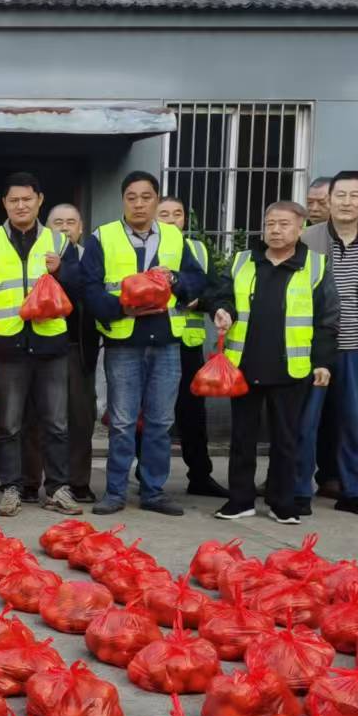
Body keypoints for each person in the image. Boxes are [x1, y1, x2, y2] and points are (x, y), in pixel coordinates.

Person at [79, 171, 207, 516]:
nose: (139, 204)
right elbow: (88, 289)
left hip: (166, 342)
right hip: (123, 341)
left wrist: (176, 279)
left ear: (156, 200)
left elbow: (197, 281)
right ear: (123, 201)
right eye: (132, 197)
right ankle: (116, 492)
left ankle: (153, 490)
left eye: (146, 197)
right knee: (121, 421)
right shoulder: (102, 237)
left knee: (161, 421)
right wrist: (121, 307)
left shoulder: (174, 238)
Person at [211, 201, 338, 524]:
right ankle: (240, 499)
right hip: (244, 363)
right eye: (270, 224)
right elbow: (223, 295)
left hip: (290, 367)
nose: (275, 230)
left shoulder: (315, 265)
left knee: (286, 438)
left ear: (300, 229)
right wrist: (222, 310)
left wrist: (323, 362)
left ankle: (282, 502)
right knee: (242, 437)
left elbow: (328, 319)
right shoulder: (243, 261)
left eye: (283, 224)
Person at [0, 172, 80, 518]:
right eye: (14, 200)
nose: (20, 205)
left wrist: (62, 270)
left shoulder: (60, 243)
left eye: (27, 199)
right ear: (4, 203)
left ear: (39, 201)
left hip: (50, 345)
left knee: (57, 423)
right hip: (7, 347)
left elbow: (79, 289)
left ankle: (58, 488)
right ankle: (11, 489)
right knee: (9, 424)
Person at [296, 170, 358, 517]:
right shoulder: (307, 239)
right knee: (306, 424)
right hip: (312, 349)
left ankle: (353, 492)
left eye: (355, 196)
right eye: (340, 195)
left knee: (352, 424)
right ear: (329, 199)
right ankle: (298, 491)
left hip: (356, 350)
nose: (347, 202)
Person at [152, 196, 229, 499]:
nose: (172, 219)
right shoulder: (144, 247)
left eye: (178, 214)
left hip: (187, 344)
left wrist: (204, 301)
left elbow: (215, 290)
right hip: (155, 341)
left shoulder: (197, 249)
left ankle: (200, 475)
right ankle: (147, 476)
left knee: (193, 415)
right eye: (165, 214)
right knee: (152, 414)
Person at [48, 203, 99, 502]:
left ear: (81, 229)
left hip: (78, 347)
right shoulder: (38, 257)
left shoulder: (89, 259)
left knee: (81, 418)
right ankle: (35, 481)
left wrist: (63, 269)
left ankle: (79, 481)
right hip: (41, 349)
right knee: (40, 418)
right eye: (58, 223)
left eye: (71, 222)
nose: (65, 228)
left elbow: (87, 292)